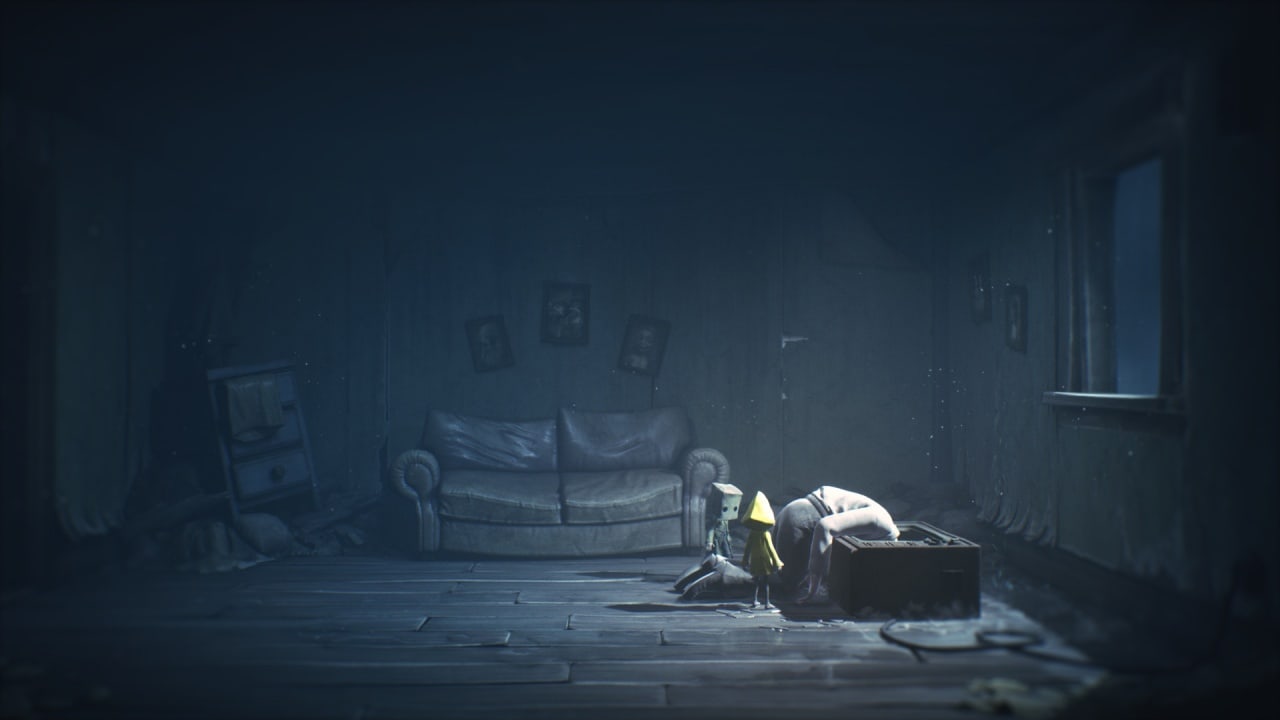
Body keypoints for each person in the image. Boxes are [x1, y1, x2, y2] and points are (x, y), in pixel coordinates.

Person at [774, 485, 899, 604]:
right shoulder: (880, 522)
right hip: (805, 518)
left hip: (796, 512)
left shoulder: (879, 525)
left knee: (781, 578)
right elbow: (825, 526)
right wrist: (816, 580)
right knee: (792, 589)